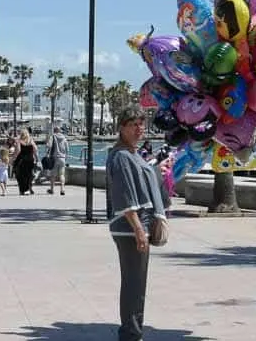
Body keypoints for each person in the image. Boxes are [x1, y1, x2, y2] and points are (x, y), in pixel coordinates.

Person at [106, 106, 167, 341]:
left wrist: (156, 171)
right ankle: (130, 334)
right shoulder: (122, 156)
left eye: (141, 124)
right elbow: (125, 196)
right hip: (130, 229)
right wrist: (139, 229)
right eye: (133, 124)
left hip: (135, 227)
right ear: (121, 127)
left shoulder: (133, 154)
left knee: (137, 283)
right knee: (133, 284)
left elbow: (143, 179)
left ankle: (133, 332)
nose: (139, 129)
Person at [12, 129, 38, 195]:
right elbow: (35, 149)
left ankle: (23, 190)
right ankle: (28, 189)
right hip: (30, 160)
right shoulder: (31, 140)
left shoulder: (19, 141)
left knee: (20, 175)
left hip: (21, 160)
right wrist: (36, 158)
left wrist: (13, 158)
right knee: (29, 175)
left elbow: (18, 150)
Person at [48, 127, 70, 196]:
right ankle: (62, 189)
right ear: (60, 131)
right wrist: (65, 157)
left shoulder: (53, 137)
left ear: (54, 131)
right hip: (62, 158)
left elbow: (49, 145)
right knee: (62, 174)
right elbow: (67, 150)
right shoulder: (64, 138)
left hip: (55, 158)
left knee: (53, 175)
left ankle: (52, 189)